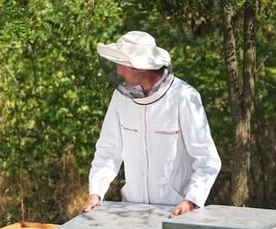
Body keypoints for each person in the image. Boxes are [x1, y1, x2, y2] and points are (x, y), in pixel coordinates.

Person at [81, 31, 221, 218]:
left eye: (123, 65)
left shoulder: (184, 96)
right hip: (132, 212)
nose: (118, 71)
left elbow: (207, 159)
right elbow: (108, 150)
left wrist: (192, 200)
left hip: (177, 213)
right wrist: (96, 192)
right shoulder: (121, 98)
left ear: (141, 66)